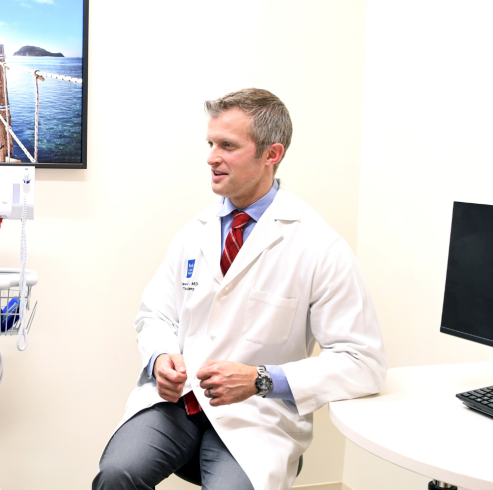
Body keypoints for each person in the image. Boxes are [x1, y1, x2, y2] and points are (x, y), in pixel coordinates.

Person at [94, 89, 387, 490]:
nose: (212, 157)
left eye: (228, 146)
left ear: (272, 154)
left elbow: (363, 363)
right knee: (117, 474)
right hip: (179, 402)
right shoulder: (193, 232)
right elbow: (155, 314)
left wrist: (261, 379)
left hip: (258, 415)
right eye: (211, 143)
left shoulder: (320, 246)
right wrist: (161, 357)